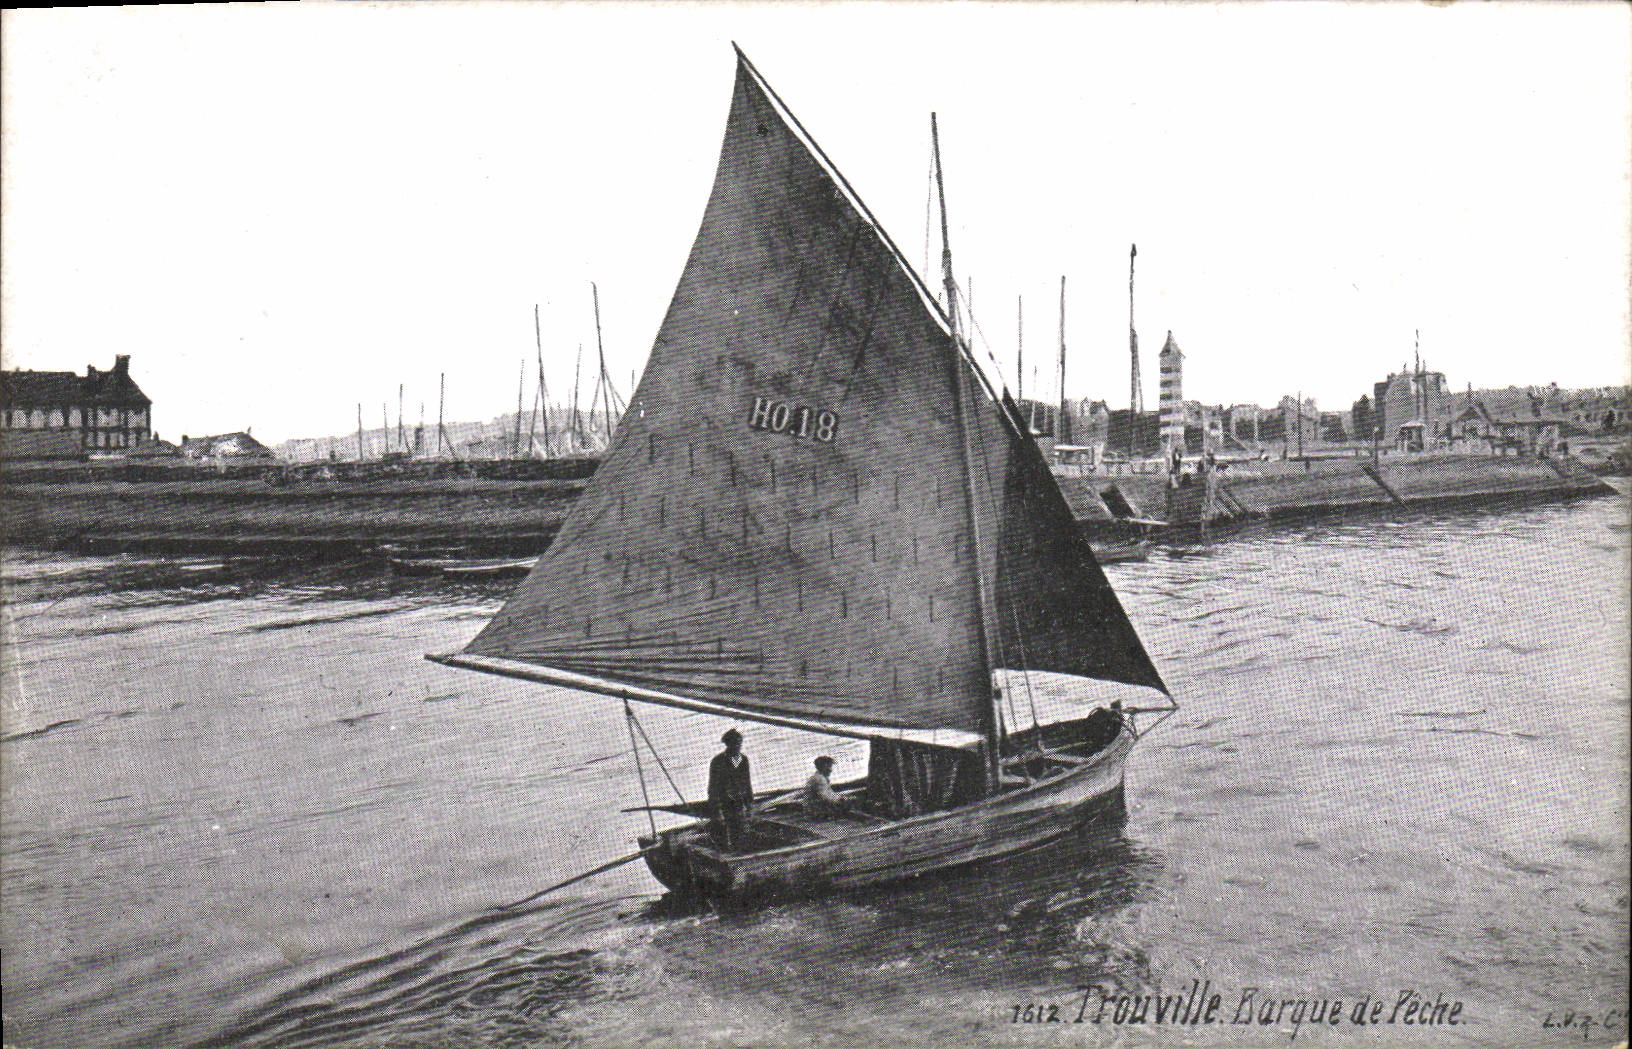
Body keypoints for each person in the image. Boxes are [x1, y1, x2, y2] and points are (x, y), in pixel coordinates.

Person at [708, 728, 753, 852]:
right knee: (726, 835)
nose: (739, 747)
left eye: (740, 743)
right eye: (736, 744)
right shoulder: (718, 762)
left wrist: (749, 803)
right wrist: (717, 811)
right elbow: (713, 788)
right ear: (728, 744)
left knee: (743, 833)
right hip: (725, 804)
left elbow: (747, 782)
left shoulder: (743, 760)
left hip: (739, 803)